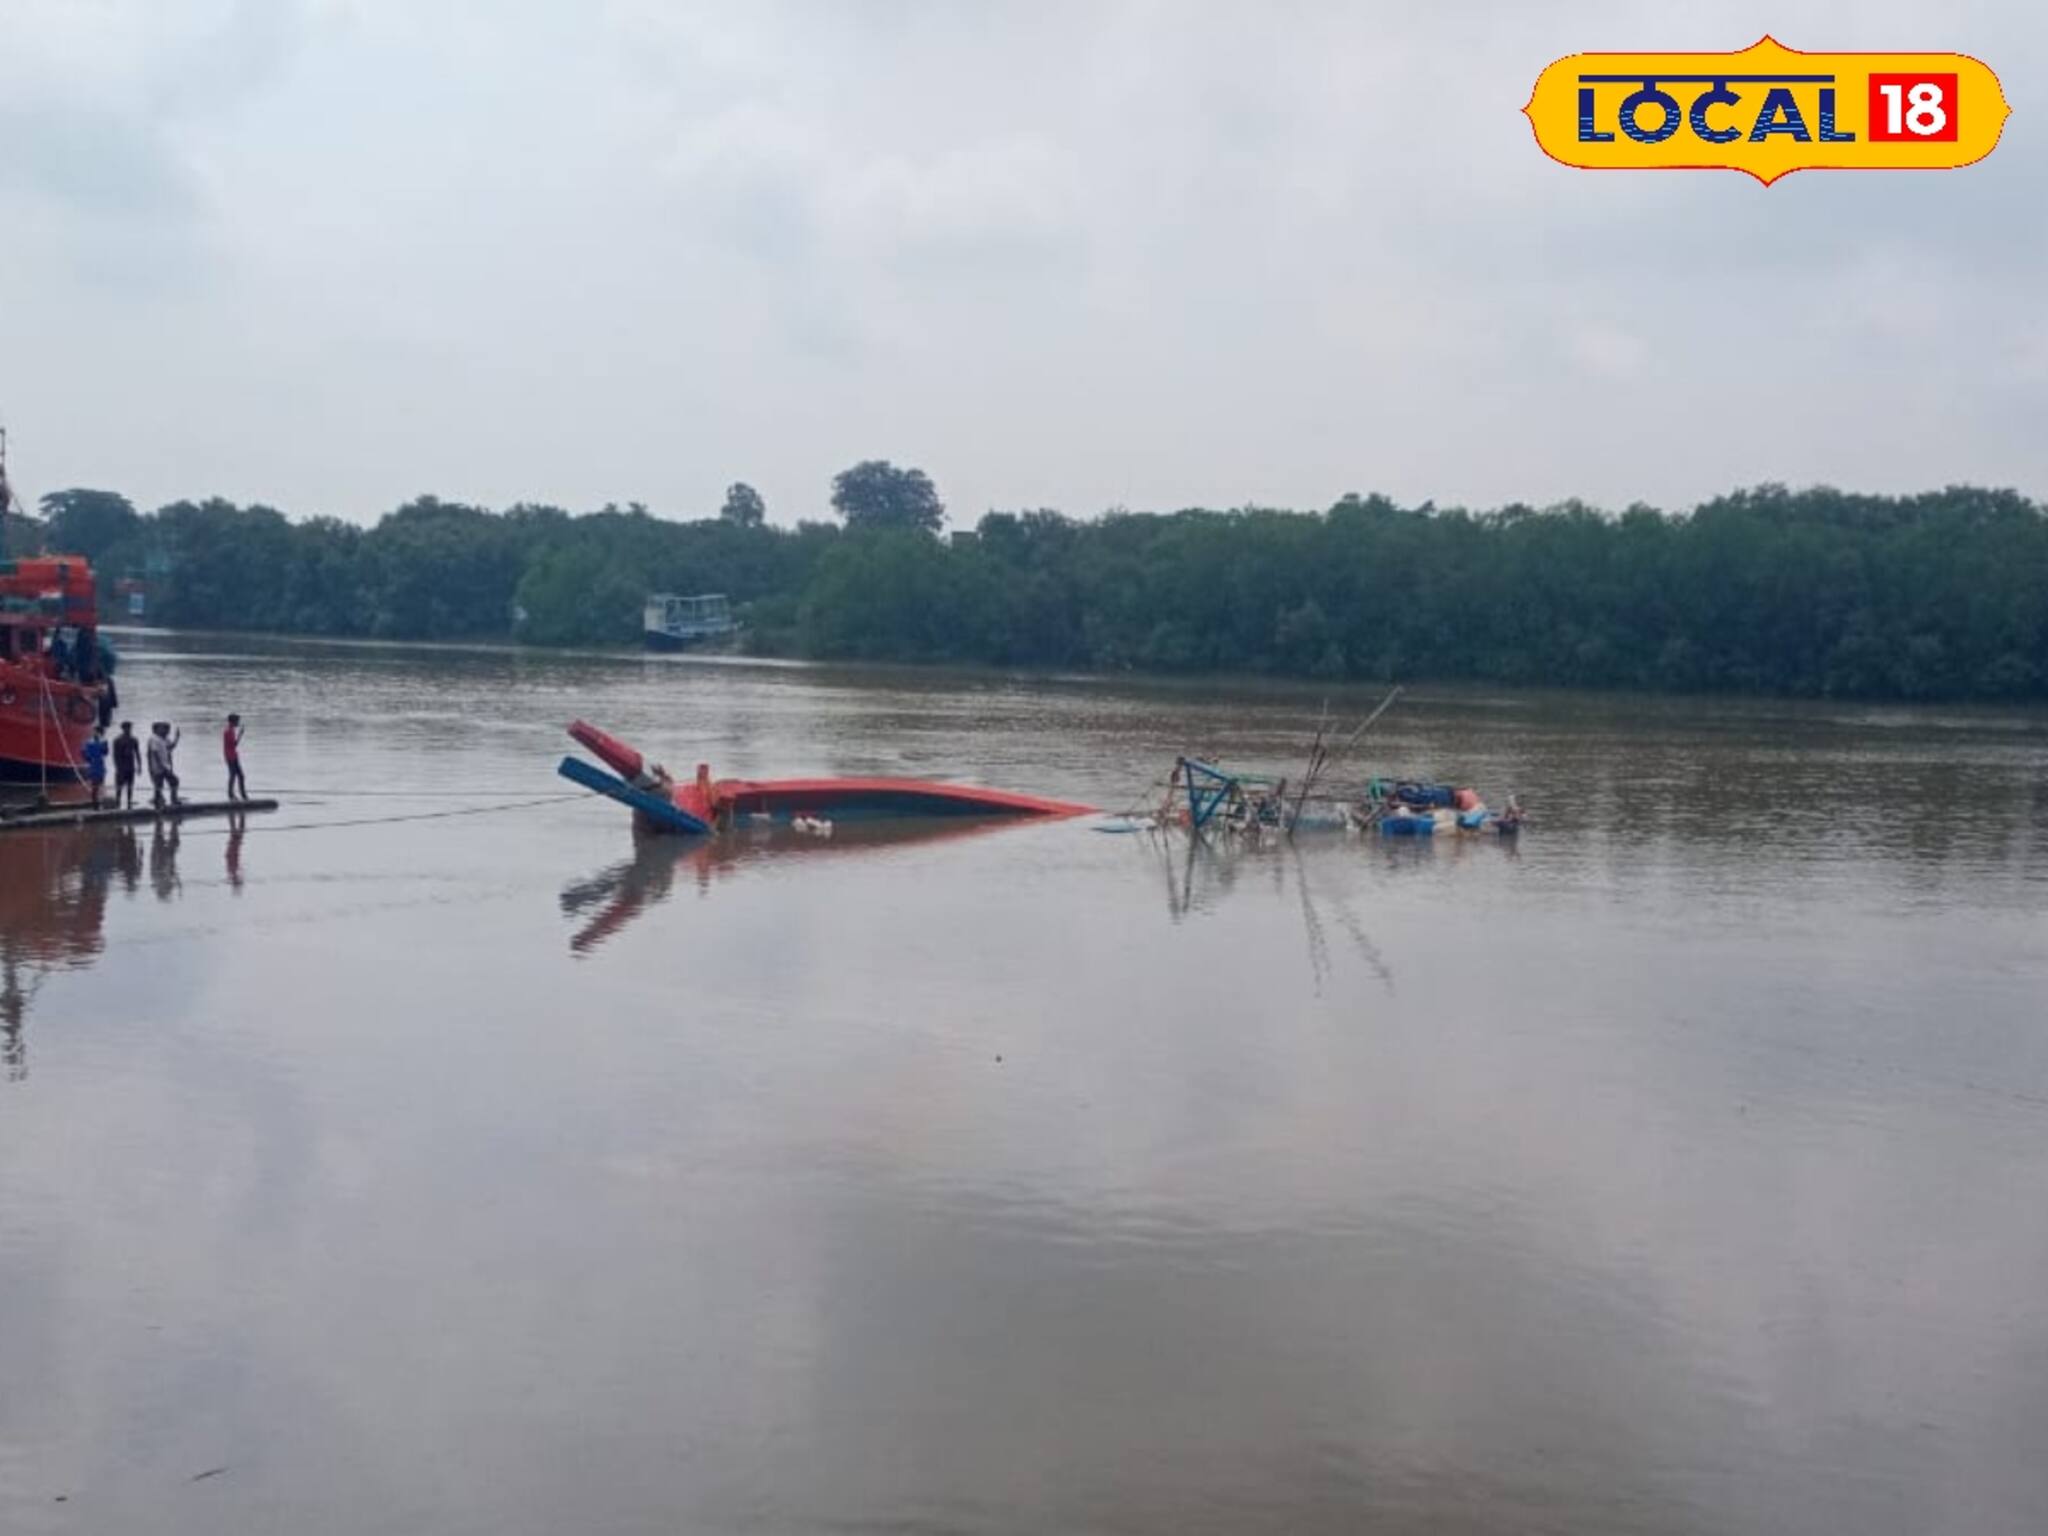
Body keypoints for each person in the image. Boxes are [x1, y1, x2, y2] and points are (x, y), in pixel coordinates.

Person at [147, 720, 181, 810]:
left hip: (165, 766)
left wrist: (177, 738)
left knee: (174, 781)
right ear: (158, 730)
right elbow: (155, 754)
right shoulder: (154, 739)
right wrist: (161, 766)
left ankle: (172, 799)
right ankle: (159, 803)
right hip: (158, 767)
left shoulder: (165, 739)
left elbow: (170, 747)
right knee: (159, 785)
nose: (166, 731)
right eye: (163, 729)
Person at [111, 721, 141, 809]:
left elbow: (137, 753)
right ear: (123, 729)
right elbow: (115, 755)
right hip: (121, 767)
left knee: (130, 786)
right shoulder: (117, 740)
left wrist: (139, 766)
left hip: (131, 766)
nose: (128, 729)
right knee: (119, 787)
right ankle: (117, 803)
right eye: (127, 728)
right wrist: (117, 767)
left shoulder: (134, 740)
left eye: (130, 728)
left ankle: (129, 803)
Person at [81, 724, 109, 810]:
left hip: (100, 765)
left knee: (101, 784)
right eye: (96, 732)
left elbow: (106, 752)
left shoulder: (102, 741)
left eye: (99, 732)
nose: (97, 733)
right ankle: (95, 805)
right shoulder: (89, 742)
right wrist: (89, 759)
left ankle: (99, 802)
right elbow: (83, 752)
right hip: (94, 765)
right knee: (94, 786)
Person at [223, 713, 247, 801]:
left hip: (232, 755)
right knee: (235, 775)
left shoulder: (230, 730)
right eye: (237, 721)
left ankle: (238, 794)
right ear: (233, 722)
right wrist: (240, 734)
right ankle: (233, 794)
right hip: (231, 756)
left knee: (238, 775)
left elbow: (232, 745)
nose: (238, 723)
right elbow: (234, 745)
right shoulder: (229, 731)